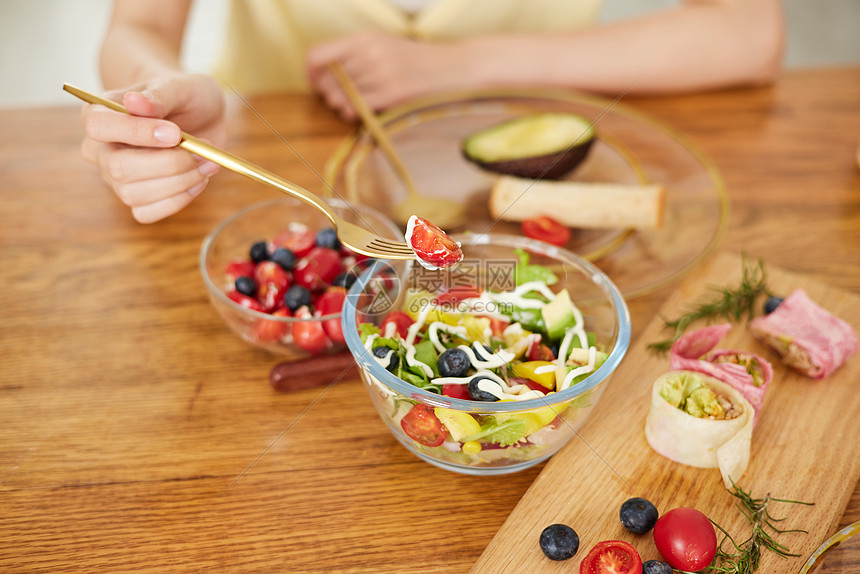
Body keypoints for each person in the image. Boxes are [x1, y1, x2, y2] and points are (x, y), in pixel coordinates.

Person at [80, 0, 784, 223]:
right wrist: (157, 94)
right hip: (267, 186)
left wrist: (461, 63)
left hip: (548, 187)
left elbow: (747, 31)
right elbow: (137, 26)